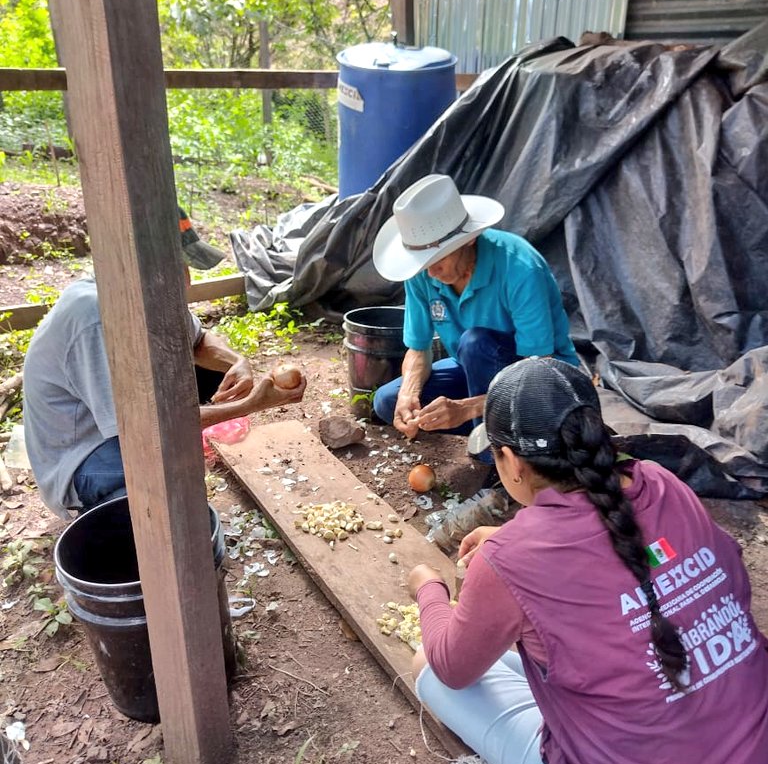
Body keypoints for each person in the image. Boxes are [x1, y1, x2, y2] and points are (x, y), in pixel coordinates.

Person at [408, 357, 768, 764]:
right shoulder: (662, 483)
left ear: (509, 462)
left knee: (429, 667)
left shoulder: (509, 561)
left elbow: (451, 665)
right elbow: (632, 564)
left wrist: (429, 589)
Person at [23, 208, 306, 519]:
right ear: (136, 263)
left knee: (210, 377)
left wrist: (237, 361)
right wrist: (249, 405)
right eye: (178, 266)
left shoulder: (144, 292)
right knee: (174, 509)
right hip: (81, 458)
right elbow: (149, 428)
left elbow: (198, 341)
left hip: (120, 427)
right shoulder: (95, 318)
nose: (186, 279)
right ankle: (107, 509)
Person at [371, 174, 578, 450]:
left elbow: (537, 372)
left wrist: (466, 408)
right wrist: (409, 393)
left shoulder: (519, 268)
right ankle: (489, 434)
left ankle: (495, 453)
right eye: (423, 263)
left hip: (541, 380)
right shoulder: (422, 273)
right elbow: (419, 349)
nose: (431, 272)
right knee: (386, 401)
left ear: (468, 240)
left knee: (475, 343)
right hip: (473, 370)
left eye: (438, 258)